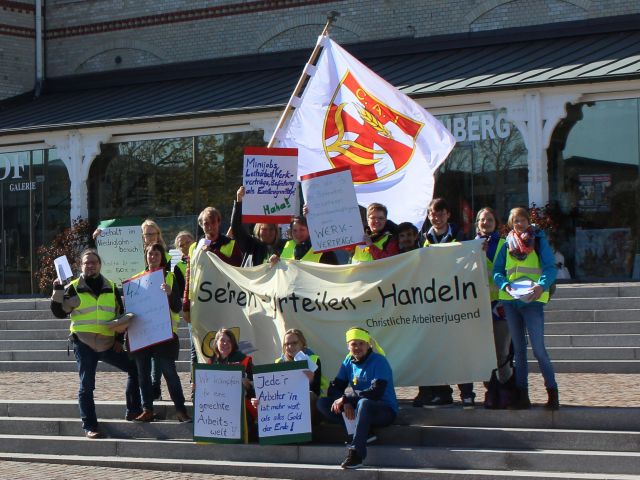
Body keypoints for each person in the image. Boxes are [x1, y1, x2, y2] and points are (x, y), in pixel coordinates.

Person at [50, 249, 142, 439]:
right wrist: (57, 291)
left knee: (135, 368)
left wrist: (118, 340)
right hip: (84, 343)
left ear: (100, 264)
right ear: (80, 266)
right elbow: (59, 312)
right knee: (87, 385)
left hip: (108, 343)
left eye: (94, 262)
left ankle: (133, 410)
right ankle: (90, 426)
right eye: (86, 263)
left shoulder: (111, 287)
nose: (90, 265)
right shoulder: (73, 287)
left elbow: (120, 314)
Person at [493, 207, 559, 410]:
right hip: (511, 302)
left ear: (528, 221)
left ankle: (552, 392)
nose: (519, 224)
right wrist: (504, 285)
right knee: (519, 351)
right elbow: (497, 271)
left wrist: (541, 286)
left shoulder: (538, 241)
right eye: (515, 221)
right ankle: (523, 396)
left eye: (522, 220)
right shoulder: (506, 245)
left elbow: (550, 268)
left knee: (539, 349)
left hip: (532, 300)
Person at [414, 197, 474, 408]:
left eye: (440, 214)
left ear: (448, 215)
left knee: (459, 349)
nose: (436, 218)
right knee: (436, 349)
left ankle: (467, 392)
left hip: (455, 300)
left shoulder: (461, 236)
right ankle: (443, 393)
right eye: (432, 214)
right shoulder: (423, 238)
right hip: (432, 302)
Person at [317, 327, 398, 469]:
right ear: (348, 346)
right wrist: (345, 400)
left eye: (361, 343)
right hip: (359, 408)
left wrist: (348, 399)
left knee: (364, 403)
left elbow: (375, 392)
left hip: (384, 411)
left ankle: (356, 454)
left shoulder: (379, 361)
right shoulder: (348, 361)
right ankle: (364, 433)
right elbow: (334, 388)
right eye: (354, 344)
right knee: (322, 403)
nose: (358, 347)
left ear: (368, 345)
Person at [130, 242, 191, 423]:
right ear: (146, 257)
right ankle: (147, 409)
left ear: (162, 257)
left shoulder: (170, 277)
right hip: (143, 333)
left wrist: (171, 293)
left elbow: (178, 306)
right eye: (150, 254)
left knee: (169, 373)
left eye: (156, 254)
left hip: (165, 334)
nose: (153, 257)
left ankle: (180, 410)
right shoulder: (136, 280)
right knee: (144, 374)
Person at [182, 206, 243, 319]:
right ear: (201, 225)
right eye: (206, 223)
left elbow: (238, 271)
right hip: (200, 301)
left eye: (213, 222)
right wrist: (186, 304)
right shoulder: (194, 248)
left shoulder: (231, 244)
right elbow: (189, 277)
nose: (210, 227)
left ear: (219, 222)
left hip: (225, 301)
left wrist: (213, 253)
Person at [475, 207, 513, 387]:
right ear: (477, 223)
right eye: (482, 219)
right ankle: (490, 390)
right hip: (479, 306)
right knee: (482, 352)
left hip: (501, 305)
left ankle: (506, 388)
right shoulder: (469, 247)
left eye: (489, 219)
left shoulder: (505, 244)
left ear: (496, 223)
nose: (486, 223)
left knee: (501, 351)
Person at [275, 329, 327, 424]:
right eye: (287, 344)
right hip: (286, 404)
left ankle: (305, 433)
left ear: (302, 343)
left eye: (294, 343)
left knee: (309, 395)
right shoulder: (279, 362)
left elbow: (316, 390)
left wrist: (310, 380)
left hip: (311, 403)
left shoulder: (313, 360)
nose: (290, 347)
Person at [208, 328, 257, 428]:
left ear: (233, 344)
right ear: (216, 342)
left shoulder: (244, 360)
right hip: (216, 408)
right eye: (222, 340)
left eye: (229, 341)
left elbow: (256, 388)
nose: (225, 344)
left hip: (241, 408)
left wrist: (247, 384)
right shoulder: (210, 362)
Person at [172, 230, 196, 399]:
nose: (185, 247)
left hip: (212, 308)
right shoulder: (178, 267)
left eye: (187, 243)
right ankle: (194, 384)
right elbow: (181, 294)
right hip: (194, 313)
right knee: (195, 349)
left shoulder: (205, 257)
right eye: (181, 245)